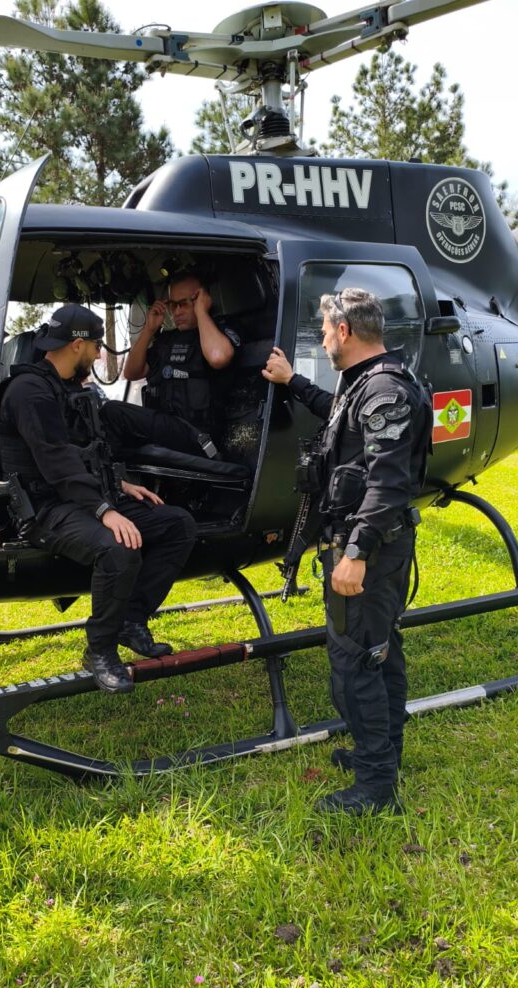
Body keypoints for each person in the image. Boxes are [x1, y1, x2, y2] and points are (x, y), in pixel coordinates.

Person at [262, 288, 432, 815]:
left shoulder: (383, 391)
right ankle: (381, 753)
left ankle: (377, 786)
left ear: (345, 332)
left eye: (323, 328)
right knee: (380, 649)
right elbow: (341, 429)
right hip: (371, 544)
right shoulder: (363, 384)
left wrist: (355, 553)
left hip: (369, 548)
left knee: (354, 662)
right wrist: (293, 382)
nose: (321, 338)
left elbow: (387, 484)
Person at [0, 304, 197, 695]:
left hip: (83, 497)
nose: (101, 354)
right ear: (77, 345)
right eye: (96, 346)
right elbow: (56, 462)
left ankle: (130, 620)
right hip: (46, 509)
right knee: (119, 549)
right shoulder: (29, 392)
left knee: (177, 525)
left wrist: (119, 487)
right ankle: (100, 650)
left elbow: (84, 452)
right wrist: (105, 511)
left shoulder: (67, 387)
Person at [123, 270, 240, 455]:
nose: (176, 312)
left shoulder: (218, 334)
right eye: (171, 305)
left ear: (201, 299)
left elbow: (218, 357)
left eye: (183, 304)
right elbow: (131, 373)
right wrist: (149, 330)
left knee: (113, 413)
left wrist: (201, 311)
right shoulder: (166, 341)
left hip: (199, 436)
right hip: (168, 431)